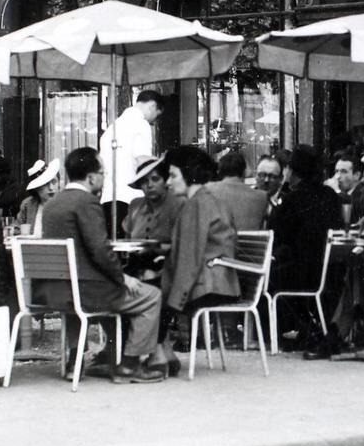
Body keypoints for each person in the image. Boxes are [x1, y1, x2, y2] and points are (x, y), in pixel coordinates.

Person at [30, 147, 165, 383]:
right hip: (87, 293)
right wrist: (124, 278)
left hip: (55, 291)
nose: (104, 178)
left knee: (89, 293)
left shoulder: (51, 205)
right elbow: (100, 251)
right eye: (102, 172)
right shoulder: (87, 203)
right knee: (151, 296)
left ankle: (79, 359)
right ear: (91, 177)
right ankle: (130, 365)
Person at [156, 146, 241, 366]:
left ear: (189, 173)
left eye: (173, 175)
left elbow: (188, 259)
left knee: (146, 293)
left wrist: (174, 303)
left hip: (207, 286)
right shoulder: (206, 200)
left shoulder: (197, 205)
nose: (167, 182)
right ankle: (162, 352)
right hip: (219, 282)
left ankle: (157, 354)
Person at [267, 145, 339, 349]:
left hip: (301, 273)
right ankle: (308, 325)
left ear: (292, 171)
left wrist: (282, 191)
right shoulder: (330, 195)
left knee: (267, 278)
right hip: (327, 271)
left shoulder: (292, 199)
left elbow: (276, 233)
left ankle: (301, 326)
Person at [100, 90, 164, 231]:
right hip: (130, 199)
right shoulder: (141, 125)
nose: (154, 122)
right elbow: (143, 161)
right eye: (157, 116)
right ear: (152, 106)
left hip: (108, 198)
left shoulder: (112, 128)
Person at [208, 151, 269, 231]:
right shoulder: (262, 197)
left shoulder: (206, 191)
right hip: (250, 243)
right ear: (244, 172)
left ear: (220, 171)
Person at [15, 157, 61, 237]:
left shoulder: (65, 203)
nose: (51, 187)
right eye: (45, 183)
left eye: (54, 182)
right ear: (36, 188)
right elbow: (16, 230)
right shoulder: (28, 204)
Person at [333, 151, 364, 227]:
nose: (337, 176)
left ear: (357, 175)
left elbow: (351, 218)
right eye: (336, 171)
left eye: (343, 171)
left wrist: (337, 191)